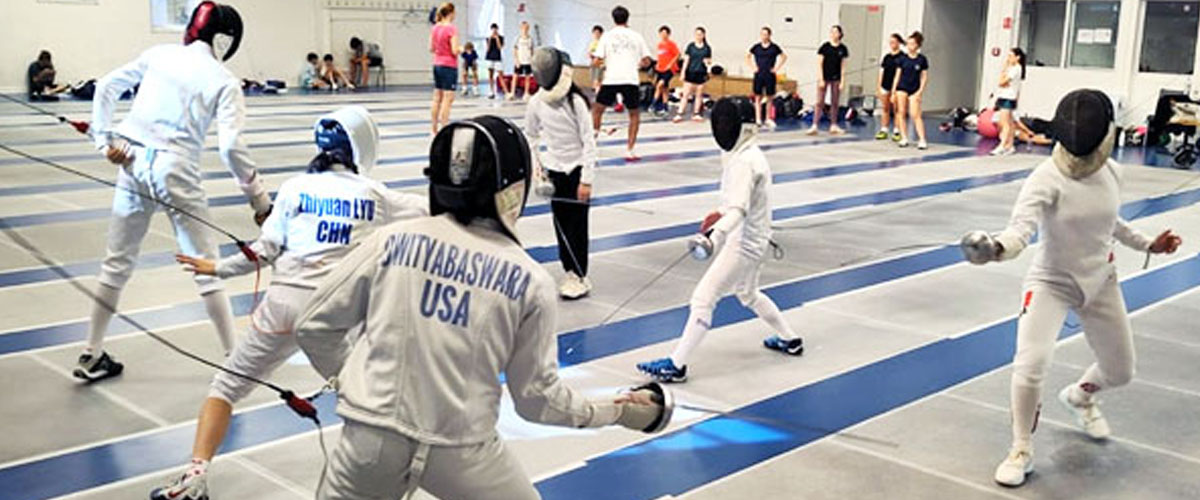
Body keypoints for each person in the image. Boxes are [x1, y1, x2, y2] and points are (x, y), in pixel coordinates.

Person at [294, 115, 672, 500]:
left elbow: (313, 325)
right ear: (514, 186)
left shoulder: (390, 240)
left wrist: (355, 384)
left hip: (369, 441)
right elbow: (537, 402)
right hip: (462, 451)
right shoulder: (529, 279)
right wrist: (619, 410)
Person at [148, 107, 428, 500]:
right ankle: (396, 476)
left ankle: (194, 479)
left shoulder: (295, 187)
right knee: (366, 400)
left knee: (226, 386)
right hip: (333, 316)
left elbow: (263, 250)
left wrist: (216, 268)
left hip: (282, 309)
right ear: (361, 148)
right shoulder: (377, 195)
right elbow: (431, 209)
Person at [959, 89, 1182, 488]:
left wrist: (1150, 244)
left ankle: (1080, 396)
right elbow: (1019, 231)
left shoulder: (1113, 171)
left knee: (1121, 371)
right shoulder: (1045, 178)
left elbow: (1111, 223)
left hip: (1101, 281)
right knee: (1029, 367)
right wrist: (995, 249)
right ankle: (1021, 447)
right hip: (1052, 283)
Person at [79, 2, 271, 382]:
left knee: (116, 263)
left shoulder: (160, 54)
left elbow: (106, 87)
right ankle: (234, 363)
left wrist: (103, 142)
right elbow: (231, 147)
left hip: (130, 160)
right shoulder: (225, 80)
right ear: (225, 40)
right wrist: (259, 199)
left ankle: (91, 352)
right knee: (206, 267)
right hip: (175, 169)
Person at [637, 97, 804, 383]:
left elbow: (739, 210)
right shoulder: (749, 153)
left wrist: (716, 236)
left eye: (727, 122)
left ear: (742, 127)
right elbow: (740, 203)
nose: (722, 127)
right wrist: (719, 214)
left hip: (744, 243)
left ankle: (676, 365)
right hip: (760, 238)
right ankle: (790, 339)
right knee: (748, 294)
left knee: (704, 298)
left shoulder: (744, 161)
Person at [526, 47, 597, 299]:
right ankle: (569, 271)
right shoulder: (536, 102)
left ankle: (580, 274)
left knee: (577, 225)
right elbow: (531, 135)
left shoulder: (575, 102)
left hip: (576, 170)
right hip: (554, 170)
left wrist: (587, 179)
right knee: (561, 224)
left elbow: (589, 141)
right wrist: (538, 169)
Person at [592, 5, 654, 161]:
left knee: (597, 110)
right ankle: (630, 150)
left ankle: (592, 143)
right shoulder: (637, 36)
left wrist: (603, 62)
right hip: (630, 79)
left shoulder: (606, 36)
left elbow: (596, 59)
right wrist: (638, 63)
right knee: (634, 115)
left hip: (611, 78)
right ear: (627, 18)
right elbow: (647, 61)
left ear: (613, 19)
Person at [808, 25, 849, 136]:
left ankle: (833, 125)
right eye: (832, 32)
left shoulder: (843, 49)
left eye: (836, 32)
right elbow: (820, 63)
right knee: (819, 101)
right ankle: (815, 125)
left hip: (836, 78)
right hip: (824, 77)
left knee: (835, 102)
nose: (833, 34)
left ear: (840, 34)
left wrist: (843, 80)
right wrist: (821, 78)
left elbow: (843, 66)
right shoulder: (825, 47)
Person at [891, 31, 929, 150]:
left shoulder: (922, 60)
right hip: (902, 88)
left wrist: (920, 91)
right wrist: (893, 92)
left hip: (914, 89)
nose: (910, 46)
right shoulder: (902, 59)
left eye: (912, 43)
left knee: (915, 114)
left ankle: (922, 139)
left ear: (917, 45)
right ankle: (904, 137)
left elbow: (924, 77)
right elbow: (897, 76)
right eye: (908, 44)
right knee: (901, 112)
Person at [429, 2, 461, 135]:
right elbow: (454, 50)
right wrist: (462, 48)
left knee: (437, 97)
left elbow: (431, 48)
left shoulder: (435, 28)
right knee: (448, 99)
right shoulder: (452, 29)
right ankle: (444, 128)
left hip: (437, 64)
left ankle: (433, 128)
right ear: (451, 13)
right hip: (449, 66)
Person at [746, 26, 786, 129]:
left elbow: (784, 57)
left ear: (769, 35)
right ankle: (758, 119)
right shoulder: (756, 47)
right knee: (758, 97)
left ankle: (768, 118)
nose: (764, 36)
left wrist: (776, 68)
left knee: (769, 97)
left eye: (765, 34)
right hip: (759, 74)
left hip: (769, 74)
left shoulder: (774, 47)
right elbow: (748, 56)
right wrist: (753, 67)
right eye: (762, 34)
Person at [992, 48, 1027, 156]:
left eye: (1011, 56)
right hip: (1005, 96)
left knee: (1004, 123)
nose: (1008, 58)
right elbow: (1003, 82)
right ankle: (1010, 145)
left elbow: (1002, 82)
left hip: (1008, 97)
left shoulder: (1016, 69)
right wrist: (1005, 69)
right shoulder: (1012, 68)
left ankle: (1002, 145)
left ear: (1018, 57)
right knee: (1010, 123)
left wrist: (1004, 72)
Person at [674, 26, 712, 123]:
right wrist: (683, 72)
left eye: (700, 34)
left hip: (701, 73)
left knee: (699, 95)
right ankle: (679, 113)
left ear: (703, 35)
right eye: (696, 34)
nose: (698, 36)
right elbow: (686, 60)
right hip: (690, 72)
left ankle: (696, 114)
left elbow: (709, 61)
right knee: (686, 94)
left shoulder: (707, 48)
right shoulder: (691, 46)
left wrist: (707, 64)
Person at [875, 34, 904, 141]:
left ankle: (897, 131)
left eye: (894, 42)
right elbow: (881, 72)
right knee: (885, 108)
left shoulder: (902, 57)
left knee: (897, 109)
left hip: (896, 87)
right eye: (890, 42)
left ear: (899, 43)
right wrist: (879, 87)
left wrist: (895, 90)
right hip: (885, 85)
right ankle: (884, 129)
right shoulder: (887, 57)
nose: (892, 44)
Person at [652, 25, 680, 114]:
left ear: (668, 34)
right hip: (660, 69)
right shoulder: (659, 45)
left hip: (669, 69)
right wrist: (657, 65)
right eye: (661, 33)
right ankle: (665, 106)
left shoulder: (671, 44)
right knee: (664, 88)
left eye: (665, 33)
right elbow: (660, 56)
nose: (663, 35)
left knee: (660, 84)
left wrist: (671, 64)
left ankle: (653, 104)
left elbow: (677, 54)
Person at [509, 21, 535, 101]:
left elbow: (532, 50)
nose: (525, 29)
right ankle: (512, 93)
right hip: (520, 60)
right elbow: (515, 50)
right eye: (523, 27)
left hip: (527, 61)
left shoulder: (530, 39)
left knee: (527, 77)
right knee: (515, 77)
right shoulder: (518, 38)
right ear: (521, 28)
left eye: (526, 28)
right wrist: (516, 60)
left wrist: (532, 60)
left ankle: (526, 93)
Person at [484, 23, 507, 99]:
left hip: (497, 57)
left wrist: (497, 38)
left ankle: (505, 91)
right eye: (493, 29)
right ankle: (491, 91)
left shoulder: (501, 38)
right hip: (490, 57)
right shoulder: (488, 38)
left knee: (500, 74)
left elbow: (500, 47)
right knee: (490, 75)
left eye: (495, 29)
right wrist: (490, 39)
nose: (494, 30)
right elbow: (487, 49)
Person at [588, 25, 605, 94]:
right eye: (595, 33)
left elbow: (602, 54)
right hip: (592, 62)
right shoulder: (592, 42)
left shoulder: (602, 43)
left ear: (601, 33)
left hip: (599, 63)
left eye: (598, 33)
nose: (596, 34)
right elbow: (589, 52)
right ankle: (595, 89)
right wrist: (590, 54)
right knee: (593, 77)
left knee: (598, 78)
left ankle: (597, 91)